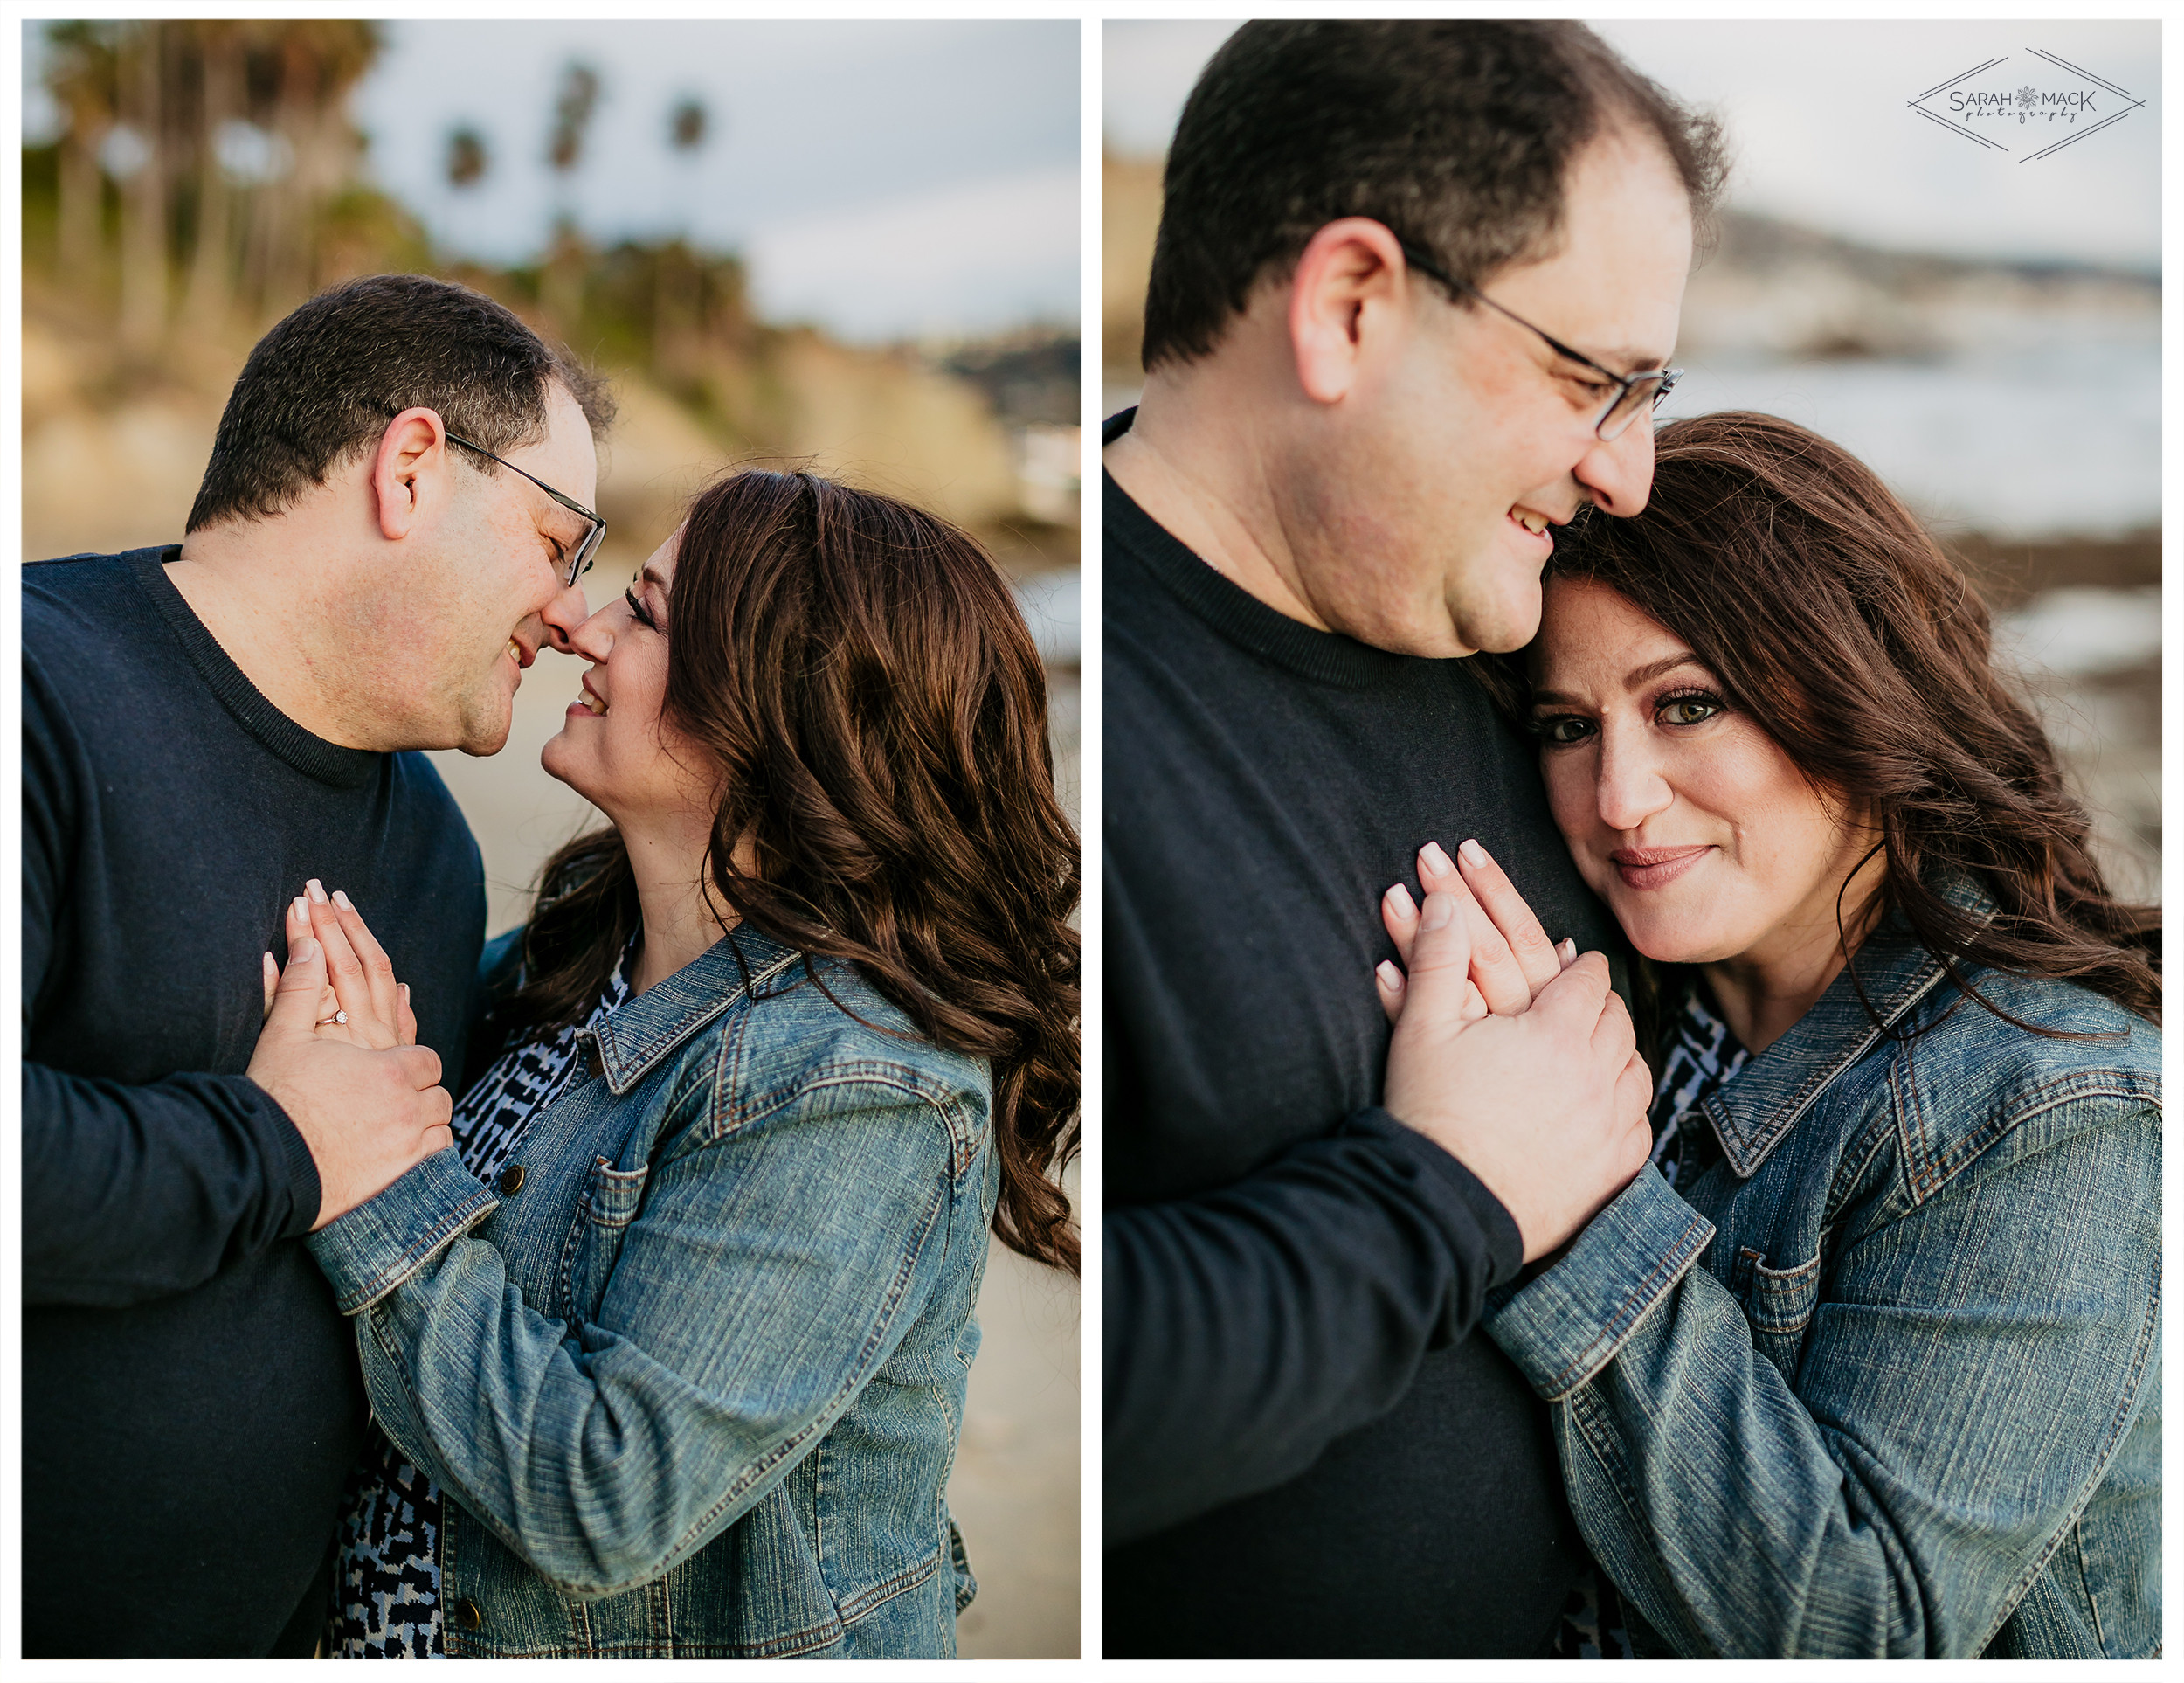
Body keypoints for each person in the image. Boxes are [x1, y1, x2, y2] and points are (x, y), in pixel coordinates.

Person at [1102, 20, 1725, 1656]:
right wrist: (1448, 1190)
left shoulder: (1531, 654)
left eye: (1653, 393)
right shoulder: (1057, 738)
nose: (1630, 469)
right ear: (1351, 305)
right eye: (1593, 378)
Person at [1375, 412, 2160, 1658]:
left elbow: (1866, 1630)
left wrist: (1567, 1201)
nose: (1620, 800)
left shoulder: (2044, 1104)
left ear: (1859, 688)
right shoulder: (1640, 988)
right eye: (1568, 726)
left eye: (1688, 703)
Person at [281, 470, 1080, 1658]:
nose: (583, 626)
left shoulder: (855, 1083)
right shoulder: (586, 937)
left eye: (646, 614)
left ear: (775, 709)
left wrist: (369, 1188)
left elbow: (605, 1494)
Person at [23, 273, 613, 1657]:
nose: (570, 611)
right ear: (412, 468)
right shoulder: (34, 694)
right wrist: (280, 1142)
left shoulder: (436, 851)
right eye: (558, 541)